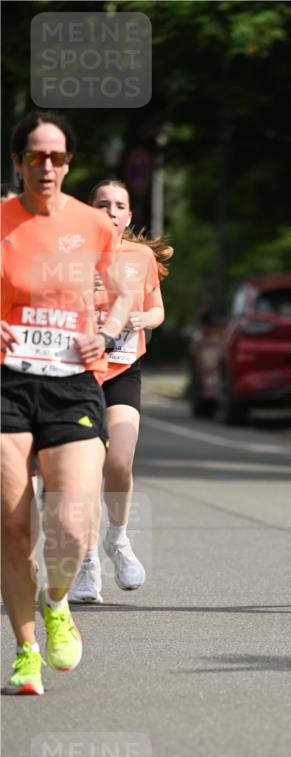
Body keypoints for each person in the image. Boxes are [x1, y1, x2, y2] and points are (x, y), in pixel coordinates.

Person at [1, 111, 132, 695]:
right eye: (35, 156)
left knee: (73, 520)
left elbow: (123, 295)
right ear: (18, 161)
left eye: (56, 157)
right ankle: (26, 649)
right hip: (6, 378)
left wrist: (105, 334)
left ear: (69, 163)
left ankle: (56, 599)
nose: (46, 166)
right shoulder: (1, 221)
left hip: (73, 380)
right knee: (11, 520)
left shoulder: (91, 224)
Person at [69, 179, 172, 603]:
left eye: (119, 206)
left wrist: (144, 319)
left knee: (120, 460)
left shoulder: (141, 257)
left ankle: (119, 538)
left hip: (124, 368)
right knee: (86, 473)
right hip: (78, 372)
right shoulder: (70, 255)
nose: (111, 211)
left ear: (130, 216)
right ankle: (88, 565)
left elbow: (158, 310)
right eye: (103, 204)